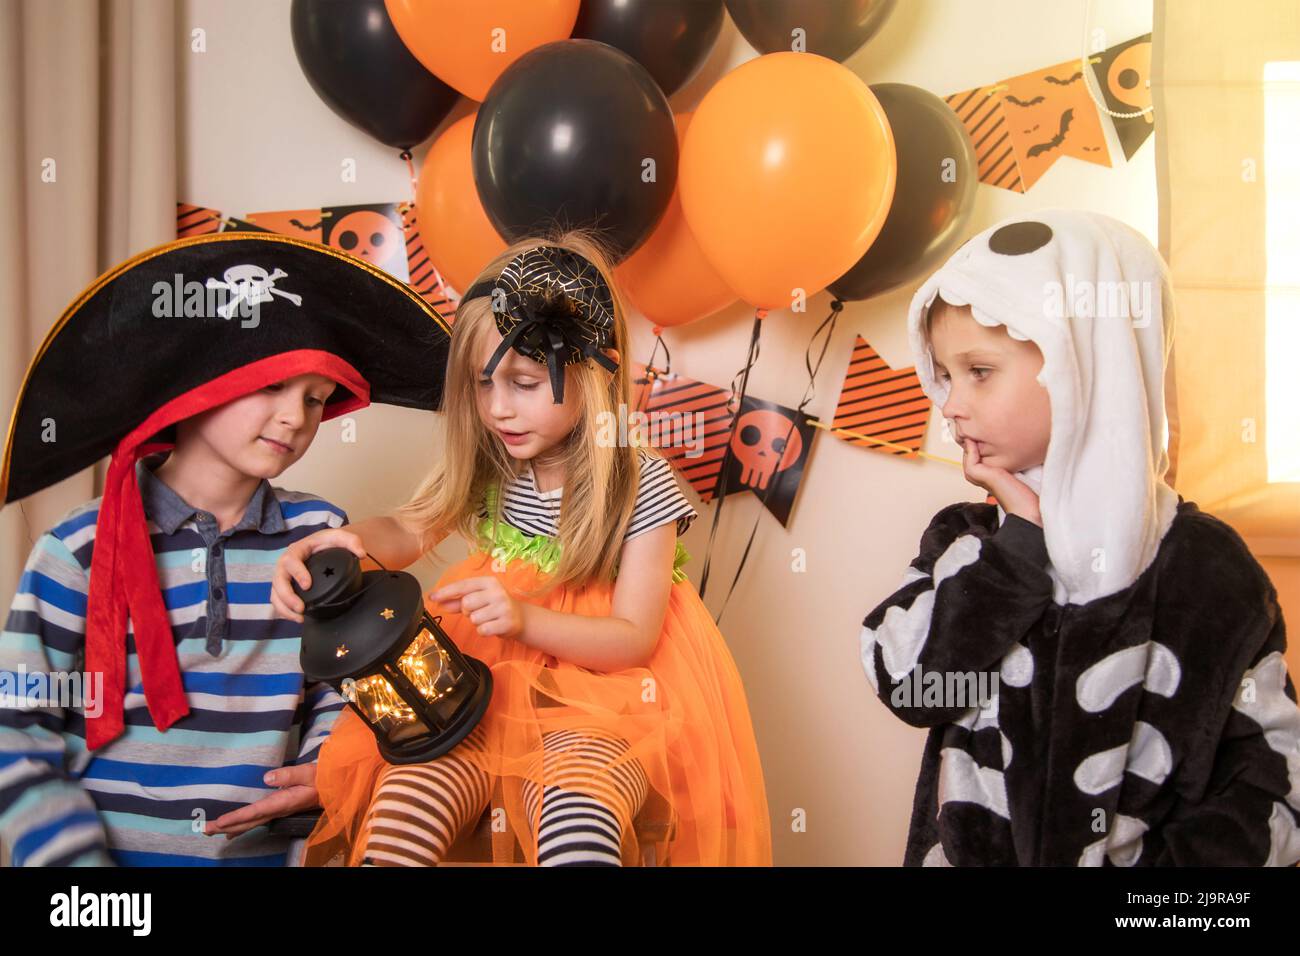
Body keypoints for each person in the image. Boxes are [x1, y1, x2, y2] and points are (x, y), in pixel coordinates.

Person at [273, 232, 772, 867]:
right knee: (405, 804)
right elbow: (406, 529)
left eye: (525, 382)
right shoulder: (492, 465)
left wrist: (526, 619)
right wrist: (344, 543)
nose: (498, 409)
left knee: (577, 820)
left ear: (593, 372)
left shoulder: (639, 483)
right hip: (479, 690)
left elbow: (633, 637)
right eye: (483, 386)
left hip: (606, 705)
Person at [859, 210, 1300, 866]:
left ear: (1089, 362)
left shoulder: (1210, 573)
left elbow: (1273, 778)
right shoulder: (967, 544)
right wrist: (1020, 545)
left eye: (978, 371)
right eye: (945, 376)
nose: (948, 404)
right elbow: (910, 686)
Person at [0, 233, 450, 865]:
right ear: (196, 385)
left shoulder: (319, 534)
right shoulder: (75, 549)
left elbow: (343, 689)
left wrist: (328, 763)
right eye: (271, 386)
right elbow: (17, 728)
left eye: (316, 399)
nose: (296, 417)